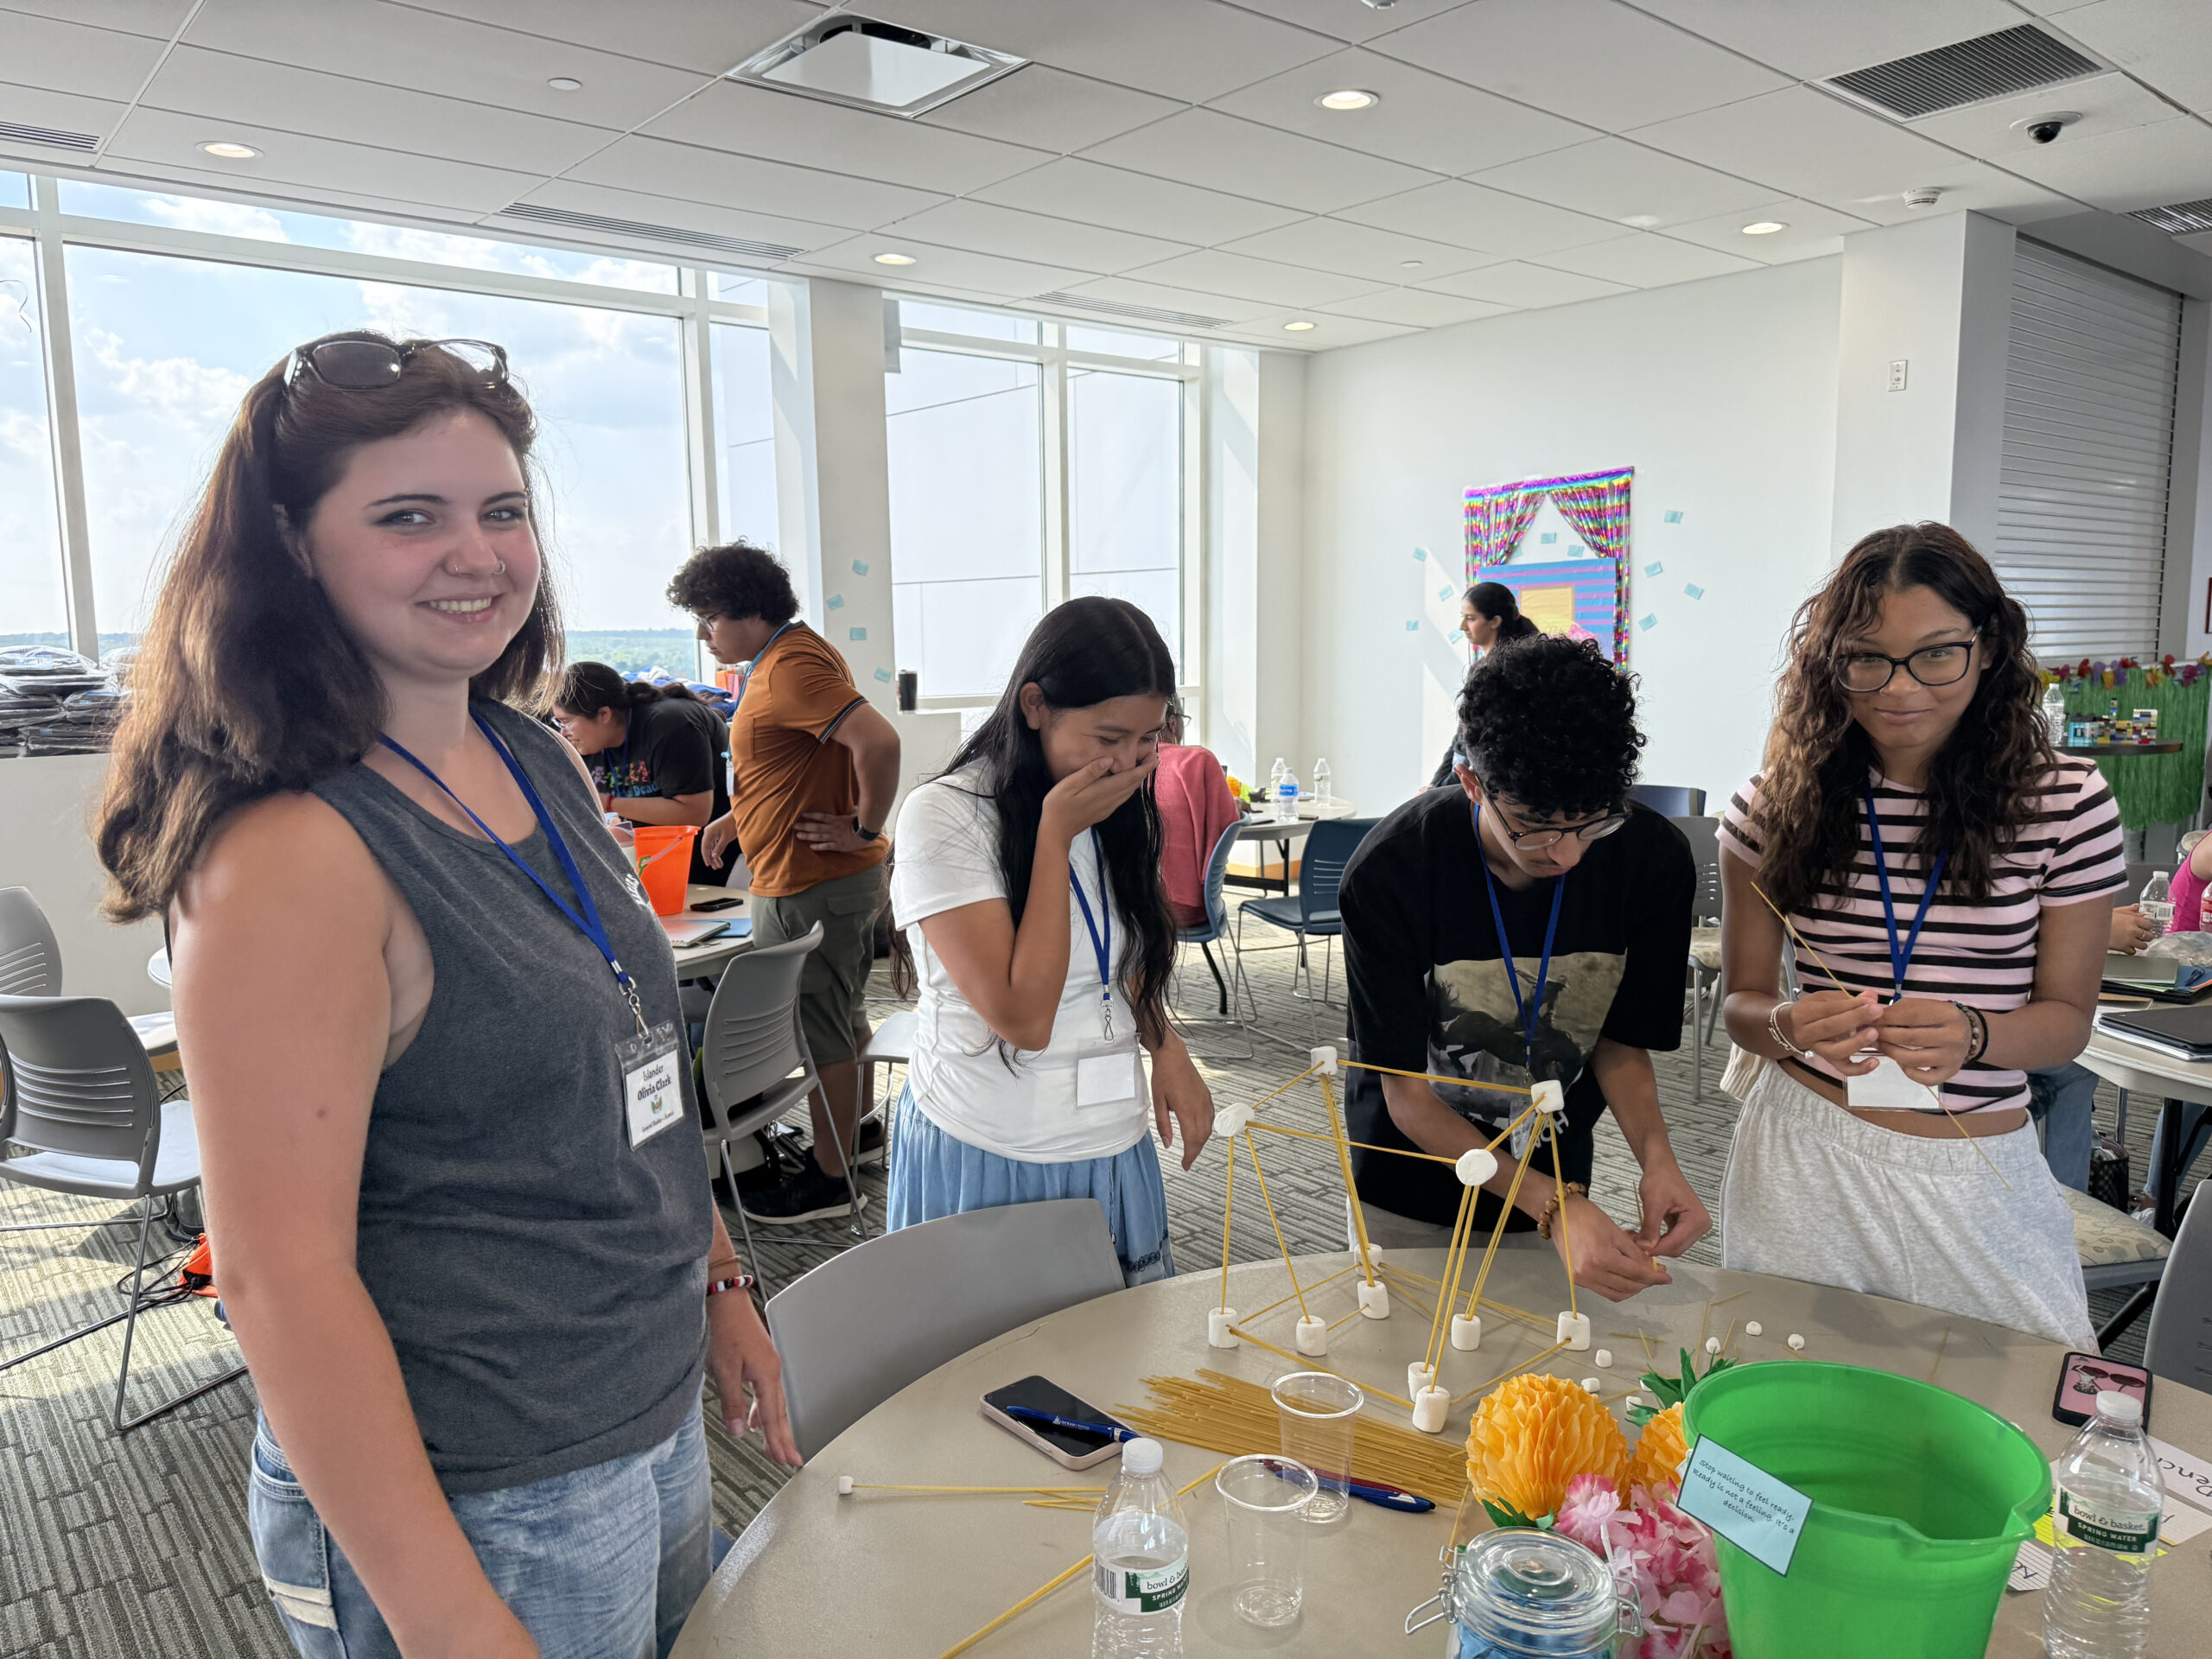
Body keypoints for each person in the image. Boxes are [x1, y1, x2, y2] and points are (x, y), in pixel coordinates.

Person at [95, 330, 796, 1659]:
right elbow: (276, 1276)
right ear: (295, 546)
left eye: (503, 511)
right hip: (483, 1486)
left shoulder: (526, 748)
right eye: (409, 517)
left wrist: (718, 1286)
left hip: (636, 1410)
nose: (476, 556)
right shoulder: (293, 850)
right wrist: (447, 1619)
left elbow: (635, 1061)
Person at [1718, 523, 2122, 1350]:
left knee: (2033, 1403)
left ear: (1989, 649)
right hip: (1806, 1145)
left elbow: (2066, 1022)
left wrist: (1976, 1033)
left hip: (1974, 1156)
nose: (1900, 688)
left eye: (1937, 654)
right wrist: (1787, 1025)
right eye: (1867, 657)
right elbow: (1740, 1004)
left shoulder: (2065, 802)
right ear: (1830, 663)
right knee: (1793, 1410)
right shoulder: (1772, 805)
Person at [1339, 633, 1710, 1300]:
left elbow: (1618, 1043)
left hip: (1558, 1170)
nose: (1565, 854)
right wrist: (1554, 1205)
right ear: (1473, 782)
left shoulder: (1649, 858)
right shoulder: (1394, 870)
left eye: (1590, 824)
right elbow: (1407, 1097)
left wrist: (1660, 1160)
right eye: (1534, 826)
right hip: (1412, 1185)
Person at [883, 597, 1214, 1284]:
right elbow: (1023, 1017)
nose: (1127, 761)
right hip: (992, 1141)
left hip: (1107, 1138)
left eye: (1150, 739)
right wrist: (1053, 839)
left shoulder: (1113, 798)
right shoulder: (946, 815)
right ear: (1034, 705)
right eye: (1107, 737)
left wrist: (1165, 1045)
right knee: (988, 1379)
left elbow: (1119, 953)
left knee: (1114, 1368)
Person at [667, 541, 901, 1225]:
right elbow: (798, 761)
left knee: (820, 1032)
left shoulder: (792, 667)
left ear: (751, 611)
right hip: (816, 878)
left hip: (810, 882)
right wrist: (738, 818)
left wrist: (865, 826)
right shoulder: (788, 658)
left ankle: (830, 1182)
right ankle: (851, 1140)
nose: (704, 634)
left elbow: (878, 743)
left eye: (710, 618)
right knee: (842, 1020)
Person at [552, 663, 731, 886]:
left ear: (604, 714)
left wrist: (607, 802)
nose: (563, 732)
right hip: (655, 856)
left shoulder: (670, 725)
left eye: (566, 721)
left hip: (715, 855)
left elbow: (694, 814)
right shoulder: (588, 743)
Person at [2026, 901, 2158, 1191]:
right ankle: (2072, 1206)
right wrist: (2095, 930)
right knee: (2073, 1062)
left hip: (1949, 1024)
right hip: (1964, 1033)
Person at [1431, 582, 1542, 788]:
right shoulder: (1478, 669)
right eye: (1463, 617)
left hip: (1480, 783)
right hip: (1459, 779)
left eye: (1471, 619)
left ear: (1495, 621)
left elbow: (1481, 748)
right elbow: (1461, 737)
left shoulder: (1508, 673)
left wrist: (1440, 790)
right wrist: (1435, 784)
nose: (1463, 626)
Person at [1152, 697, 1242, 930]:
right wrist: (1236, 805)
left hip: (1134, 906)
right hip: (1186, 908)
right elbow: (1228, 824)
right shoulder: (1197, 760)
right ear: (1172, 722)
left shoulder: (1131, 761)